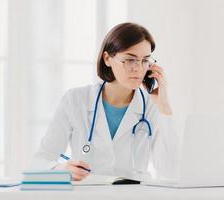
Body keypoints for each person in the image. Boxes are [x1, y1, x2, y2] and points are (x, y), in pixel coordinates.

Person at [29, 22, 178, 181]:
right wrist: (62, 168)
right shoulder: (75, 100)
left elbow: (171, 171)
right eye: (130, 60)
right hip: (89, 194)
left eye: (145, 60)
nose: (138, 68)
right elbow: (39, 163)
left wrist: (164, 107)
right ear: (107, 58)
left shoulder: (151, 106)